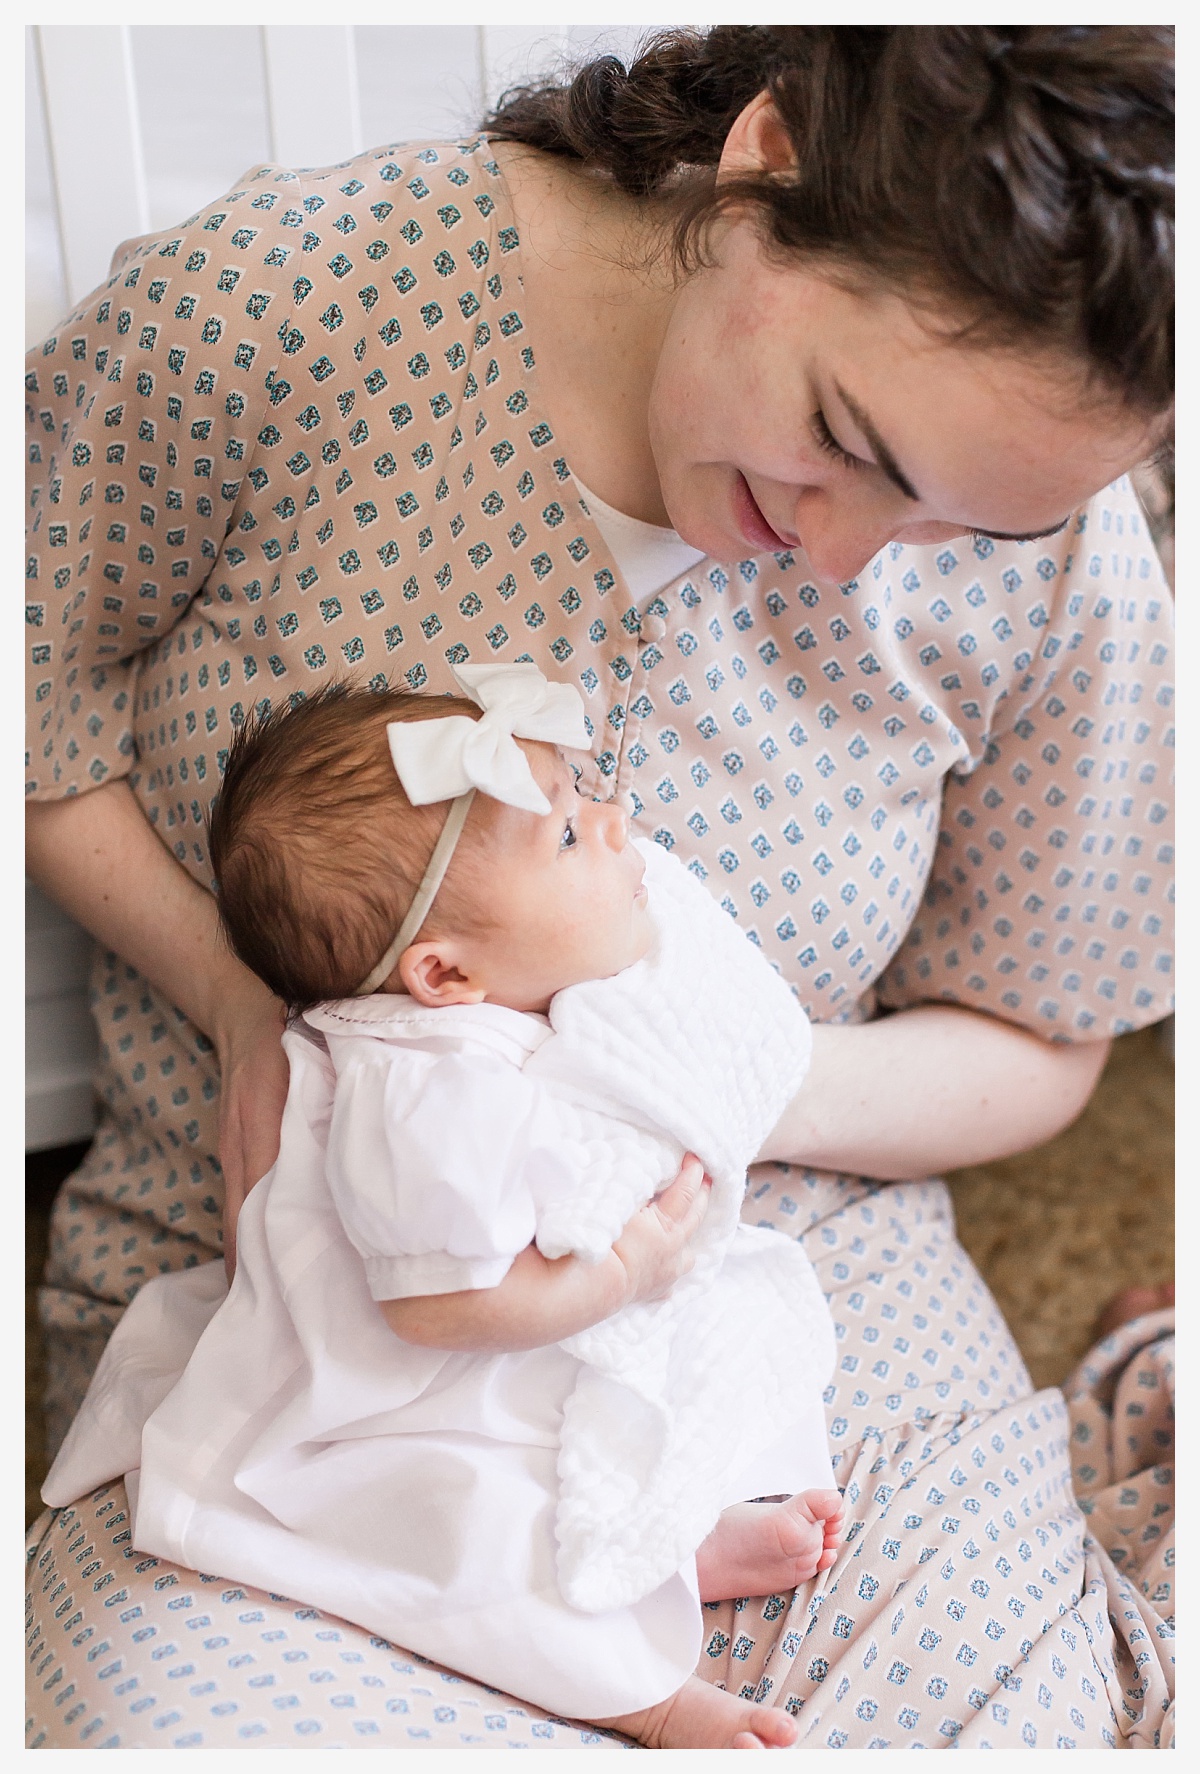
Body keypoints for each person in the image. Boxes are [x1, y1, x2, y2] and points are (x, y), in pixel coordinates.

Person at [25, 24, 1173, 1751]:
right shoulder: (280, 307)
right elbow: (29, 689)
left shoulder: (1073, 546)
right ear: (761, 162)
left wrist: (703, 1077)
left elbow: (1045, 1020)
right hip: (308, 1284)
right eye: (844, 436)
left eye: (963, 529)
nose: (854, 558)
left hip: (791, 1271)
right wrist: (238, 985)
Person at [43, 664, 845, 1748]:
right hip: (398, 1393)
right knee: (468, 1531)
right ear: (442, 974)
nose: (612, 825)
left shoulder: (502, 1001)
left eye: (580, 804)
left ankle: (675, 1536)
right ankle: (645, 1697)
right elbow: (434, 1312)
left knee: (708, 1353)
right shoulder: (421, 1098)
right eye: (564, 836)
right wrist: (621, 1272)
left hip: (517, 1342)